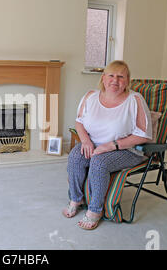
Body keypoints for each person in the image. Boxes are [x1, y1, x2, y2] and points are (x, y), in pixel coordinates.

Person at [62, 60, 153, 230]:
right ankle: (76, 198)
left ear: (127, 81)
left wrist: (111, 146)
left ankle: (95, 210)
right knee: (75, 156)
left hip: (126, 149)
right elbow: (79, 122)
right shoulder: (90, 96)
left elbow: (144, 135)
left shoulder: (135, 100)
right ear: (103, 78)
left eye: (121, 77)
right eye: (111, 75)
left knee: (99, 162)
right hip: (94, 144)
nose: (115, 80)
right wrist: (86, 141)